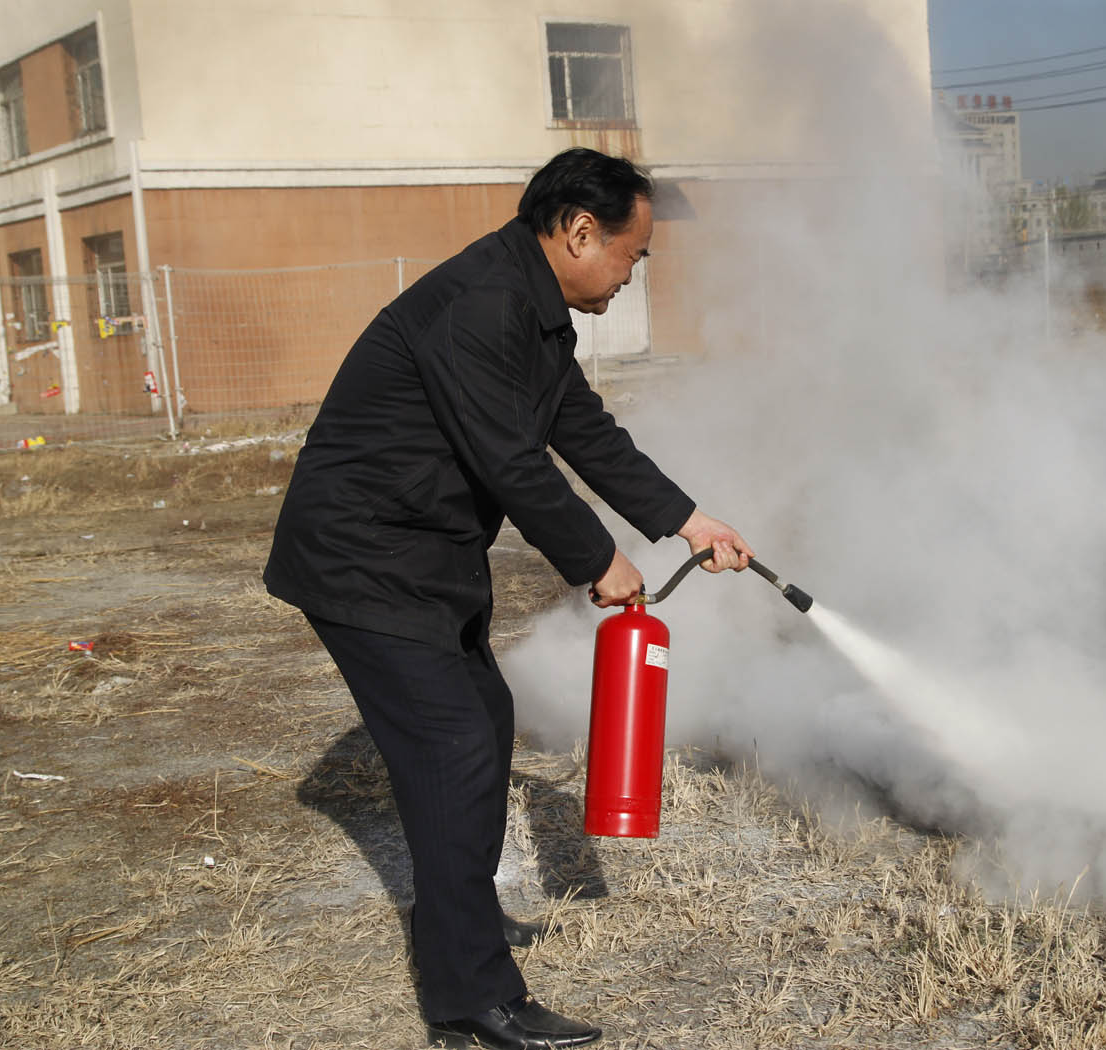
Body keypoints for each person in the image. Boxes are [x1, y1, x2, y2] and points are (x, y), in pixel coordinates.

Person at [264, 148, 752, 1050]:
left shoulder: (532, 310)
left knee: (479, 729)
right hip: (362, 558)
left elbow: (584, 433)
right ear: (580, 232)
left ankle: (459, 936)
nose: (633, 273)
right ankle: (470, 999)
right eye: (633, 254)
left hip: (422, 557)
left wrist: (688, 522)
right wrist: (597, 559)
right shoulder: (480, 305)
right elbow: (511, 461)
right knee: (454, 750)